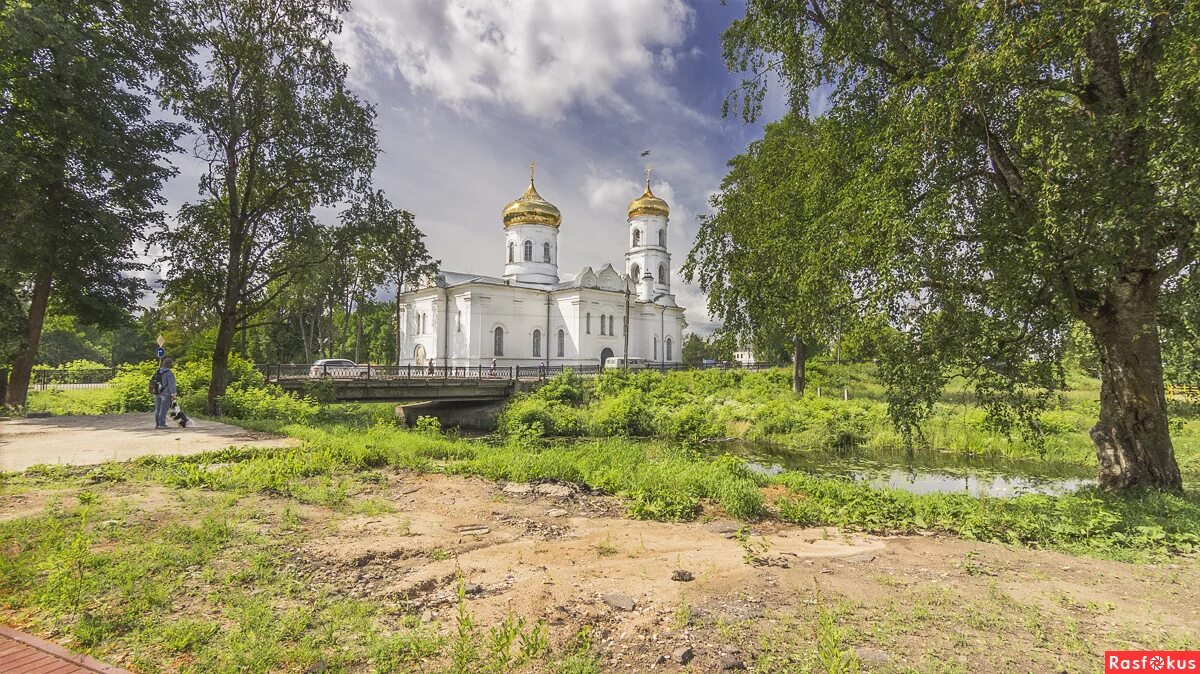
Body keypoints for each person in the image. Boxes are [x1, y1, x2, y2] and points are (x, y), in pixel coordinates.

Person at [154, 358, 178, 429]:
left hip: (157, 392)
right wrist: (173, 394)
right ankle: (162, 424)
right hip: (166, 393)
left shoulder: (158, 371)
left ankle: (157, 424)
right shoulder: (169, 373)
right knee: (163, 409)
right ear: (169, 364)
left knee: (157, 409)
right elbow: (171, 384)